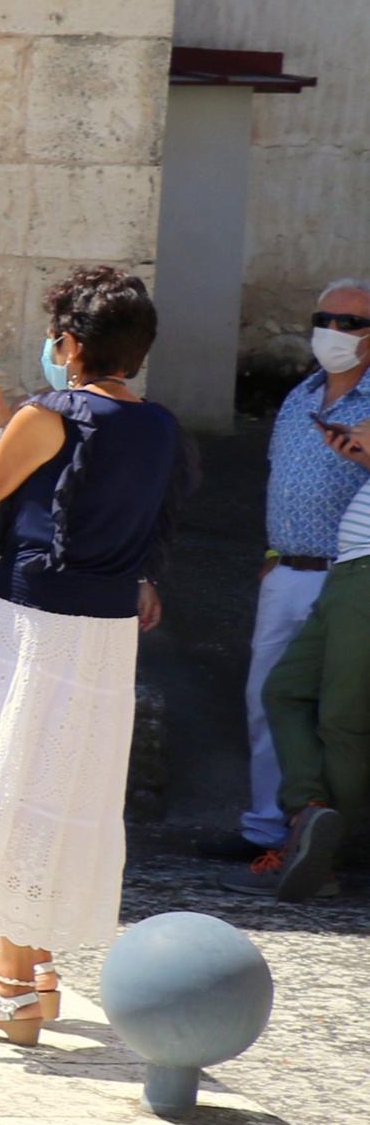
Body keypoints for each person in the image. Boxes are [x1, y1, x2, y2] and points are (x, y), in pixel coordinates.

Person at [0, 268, 187, 1048]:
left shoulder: (49, 413)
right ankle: (34, 973)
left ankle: (7, 988)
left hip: (35, 624)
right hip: (102, 638)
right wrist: (2, 407)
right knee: (64, 790)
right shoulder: (157, 424)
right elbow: (67, 466)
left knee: (16, 780)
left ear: (66, 343)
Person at [237, 279, 370, 867]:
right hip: (287, 570)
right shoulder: (298, 398)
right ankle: (267, 829)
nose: (333, 333)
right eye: (326, 319)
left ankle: (324, 842)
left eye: (350, 324)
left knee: (335, 711)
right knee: (269, 699)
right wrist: (271, 556)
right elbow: (277, 480)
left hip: (348, 574)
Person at [255, 464, 370, 898]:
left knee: (344, 722)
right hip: (349, 573)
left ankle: (321, 862)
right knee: (284, 690)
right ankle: (309, 814)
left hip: (364, 576)